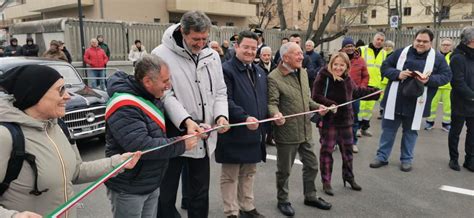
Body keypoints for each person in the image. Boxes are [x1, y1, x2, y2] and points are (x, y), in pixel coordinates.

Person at [0, 64, 141, 217]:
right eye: (60, 90)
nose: (68, 96)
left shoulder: (59, 126)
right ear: (35, 94)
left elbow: (76, 171)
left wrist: (118, 163)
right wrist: (13, 216)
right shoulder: (5, 136)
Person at [151, 10, 230, 218]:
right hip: (173, 134)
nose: (201, 44)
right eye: (196, 39)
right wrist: (186, 121)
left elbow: (220, 91)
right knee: (165, 195)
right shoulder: (160, 55)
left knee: (200, 193)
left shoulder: (212, 55)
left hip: (203, 135)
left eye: (205, 38)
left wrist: (222, 116)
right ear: (183, 32)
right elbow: (165, 95)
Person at [104, 55, 197, 217]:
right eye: (165, 81)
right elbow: (142, 146)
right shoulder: (124, 105)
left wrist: (190, 128)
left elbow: (157, 130)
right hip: (129, 186)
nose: (169, 85)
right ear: (147, 81)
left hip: (149, 181)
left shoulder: (150, 95)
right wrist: (182, 144)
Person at [216, 30, 283, 218]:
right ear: (236, 46)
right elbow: (224, 100)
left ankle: (247, 206)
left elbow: (264, 100)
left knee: (249, 172)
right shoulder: (225, 70)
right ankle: (231, 211)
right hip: (234, 131)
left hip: (255, 132)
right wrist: (244, 117)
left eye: (254, 48)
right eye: (246, 47)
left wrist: (273, 115)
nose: (250, 51)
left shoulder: (260, 72)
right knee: (230, 175)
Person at [370, 28, 451, 172]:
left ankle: (406, 160)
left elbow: (446, 76)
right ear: (414, 40)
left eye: (424, 42)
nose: (420, 44)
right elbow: (385, 67)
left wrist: (428, 80)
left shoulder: (437, 58)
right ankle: (382, 157)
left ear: (430, 43)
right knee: (388, 130)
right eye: (418, 40)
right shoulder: (401, 52)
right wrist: (397, 74)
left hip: (417, 103)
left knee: (410, 132)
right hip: (395, 100)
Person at [268, 42, 332, 217]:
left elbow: (307, 100)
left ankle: (310, 196)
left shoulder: (303, 72)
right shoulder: (274, 77)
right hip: (287, 132)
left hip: (305, 130)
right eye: (296, 54)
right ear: (285, 57)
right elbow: (272, 103)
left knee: (312, 165)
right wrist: (275, 114)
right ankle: (283, 200)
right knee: (284, 170)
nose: (301, 56)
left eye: (301, 53)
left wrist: (319, 106)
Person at [312, 52, 380, 196]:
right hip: (329, 121)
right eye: (335, 64)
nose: (338, 67)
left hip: (346, 121)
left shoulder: (348, 78)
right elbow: (315, 96)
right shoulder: (323, 76)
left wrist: (375, 93)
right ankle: (326, 181)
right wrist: (330, 104)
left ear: (346, 66)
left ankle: (348, 177)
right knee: (327, 152)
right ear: (331, 64)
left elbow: (357, 92)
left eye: (342, 65)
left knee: (348, 152)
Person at [448, 26, 474, 172]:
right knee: (456, 132)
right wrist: (472, 96)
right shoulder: (457, 57)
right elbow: (457, 82)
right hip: (460, 102)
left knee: (473, 133)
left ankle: (470, 160)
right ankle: (454, 159)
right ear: (471, 40)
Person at [340, 37, 369, 153]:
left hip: (354, 95)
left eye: (352, 46)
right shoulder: (337, 59)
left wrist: (362, 87)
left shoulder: (360, 60)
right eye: (347, 46)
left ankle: (353, 143)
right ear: (343, 48)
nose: (350, 48)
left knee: (354, 119)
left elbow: (365, 76)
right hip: (340, 94)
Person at [357, 32, 388, 137]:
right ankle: (356, 128)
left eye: (382, 40)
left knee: (369, 108)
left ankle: (364, 128)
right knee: (360, 107)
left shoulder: (384, 53)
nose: (379, 42)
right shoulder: (362, 50)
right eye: (378, 39)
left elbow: (384, 68)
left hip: (376, 84)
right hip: (363, 83)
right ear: (373, 39)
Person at [425, 38, 454, 132]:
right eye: (444, 45)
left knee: (448, 106)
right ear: (440, 46)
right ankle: (429, 122)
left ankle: (446, 124)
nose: (445, 47)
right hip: (435, 84)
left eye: (448, 45)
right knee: (431, 104)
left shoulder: (453, 57)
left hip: (448, 87)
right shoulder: (434, 56)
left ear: (451, 47)